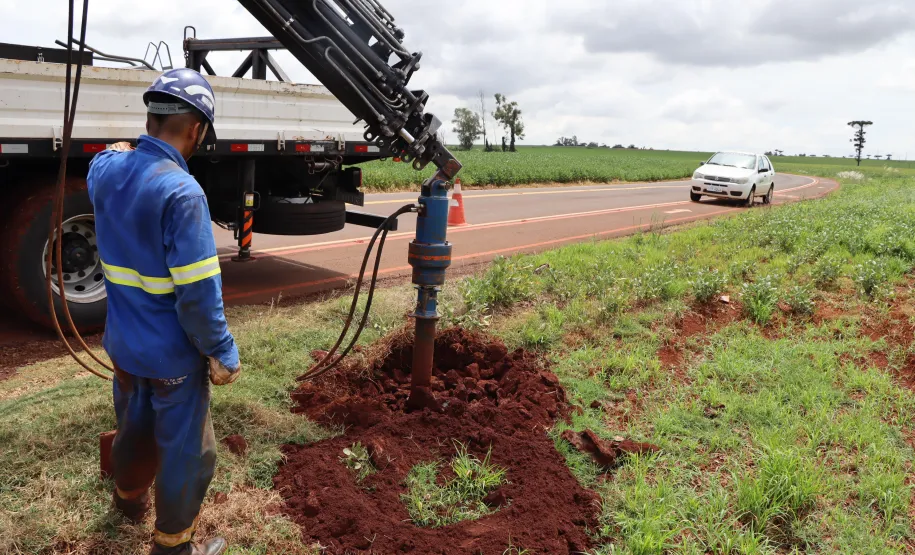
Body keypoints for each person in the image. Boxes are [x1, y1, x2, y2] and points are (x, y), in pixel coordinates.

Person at [87, 68, 240, 555]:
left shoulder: (105, 171)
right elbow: (198, 296)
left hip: (124, 348)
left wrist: (118, 150)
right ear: (196, 130)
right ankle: (173, 545)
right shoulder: (182, 193)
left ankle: (129, 498)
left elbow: (106, 156)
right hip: (171, 358)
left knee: (134, 425)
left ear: (150, 118)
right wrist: (222, 351)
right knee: (188, 452)